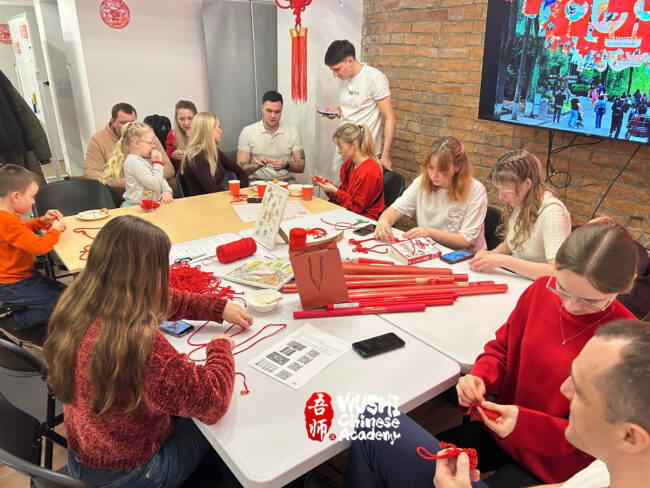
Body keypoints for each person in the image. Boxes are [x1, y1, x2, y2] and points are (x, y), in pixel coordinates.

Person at [344, 219, 638, 487]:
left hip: (553, 469)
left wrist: (523, 425)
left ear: (625, 286)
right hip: (499, 432)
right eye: (562, 288)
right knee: (384, 442)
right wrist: (480, 379)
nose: (570, 305)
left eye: (589, 301)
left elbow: (593, 439)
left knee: (380, 436)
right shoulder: (541, 290)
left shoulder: (627, 345)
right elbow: (502, 349)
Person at [43, 215, 253, 488]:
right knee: (224, 435)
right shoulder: (136, 343)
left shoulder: (78, 300)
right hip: (132, 472)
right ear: (147, 275)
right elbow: (212, 403)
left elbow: (160, 297)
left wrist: (215, 307)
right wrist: (220, 349)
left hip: (86, 451)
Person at [341, 319, 649, 488]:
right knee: (375, 421)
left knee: (375, 424)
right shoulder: (622, 467)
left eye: (580, 390)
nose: (564, 388)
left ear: (630, 436)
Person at [468, 150, 571, 281]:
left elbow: (556, 272)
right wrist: (491, 255)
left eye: (505, 190)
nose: (500, 197)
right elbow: (511, 243)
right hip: (517, 280)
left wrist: (503, 261)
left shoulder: (553, 212)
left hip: (536, 286)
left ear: (527, 184)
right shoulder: (521, 202)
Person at [374, 137, 487, 252]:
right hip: (430, 250)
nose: (434, 175)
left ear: (457, 166)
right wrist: (384, 221)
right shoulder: (422, 181)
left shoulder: (475, 190)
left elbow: (466, 240)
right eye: (431, 168)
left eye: (442, 170)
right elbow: (395, 210)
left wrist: (430, 232)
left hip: (465, 256)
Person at [0, 164, 66, 328]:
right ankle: (14, 322)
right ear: (16, 196)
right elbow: (40, 247)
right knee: (59, 306)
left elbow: (20, 232)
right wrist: (55, 230)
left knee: (69, 295)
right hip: (13, 284)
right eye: (32, 196)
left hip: (23, 277)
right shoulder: (7, 221)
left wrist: (40, 221)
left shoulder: (6, 217)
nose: (33, 201)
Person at [323, 39, 396, 183]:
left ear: (350, 61)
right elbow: (352, 108)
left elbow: (390, 118)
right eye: (332, 70)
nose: (335, 75)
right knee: (338, 190)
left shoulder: (374, 78)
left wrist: (385, 155)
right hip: (343, 147)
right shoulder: (344, 79)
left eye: (337, 69)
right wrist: (336, 112)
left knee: (359, 193)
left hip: (365, 151)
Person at [84, 103, 175, 204]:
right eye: (123, 123)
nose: (128, 127)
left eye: (132, 122)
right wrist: (117, 181)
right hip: (119, 193)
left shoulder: (147, 137)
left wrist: (148, 177)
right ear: (113, 122)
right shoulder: (98, 139)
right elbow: (90, 172)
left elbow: (169, 168)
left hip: (148, 191)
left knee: (170, 186)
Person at [311, 123, 384, 220]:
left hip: (364, 219)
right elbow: (344, 196)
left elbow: (356, 207)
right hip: (349, 212)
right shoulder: (348, 164)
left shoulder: (370, 170)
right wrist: (327, 185)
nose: (338, 151)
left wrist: (335, 191)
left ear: (354, 145)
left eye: (341, 147)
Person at [237, 90, 305, 182]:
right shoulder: (248, 132)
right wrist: (257, 165)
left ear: (282, 110)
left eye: (277, 112)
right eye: (269, 111)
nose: (273, 116)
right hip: (257, 182)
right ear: (262, 108)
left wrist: (286, 165)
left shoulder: (292, 131)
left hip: (286, 182)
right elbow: (241, 169)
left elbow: (301, 167)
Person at [101, 122, 173, 207]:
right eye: (150, 143)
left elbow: (160, 178)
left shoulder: (147, 158)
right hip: (134, 207)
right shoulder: (132, 162)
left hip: (150, 204)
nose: (153, 146)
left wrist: (167, 190)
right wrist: (158, 163)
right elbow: (153, 184)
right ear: (137, 143)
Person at [181, 112, 249, 196]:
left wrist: (242, 194)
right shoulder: (196, 157)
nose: (221, 131)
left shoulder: (213, 151)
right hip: (205, 202)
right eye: (218, 127)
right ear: (208, 131)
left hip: (218, 199)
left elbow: (241, 173)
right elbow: (213, 191)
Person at [166, 100, 197, 174]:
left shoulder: (203, 132)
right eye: (182, 119)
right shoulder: (173, 134)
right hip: (181, 174)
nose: (186, 123)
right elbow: (166, 159)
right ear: (177, 119)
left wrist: (194, 138)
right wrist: (173, 156)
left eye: (190, 118)